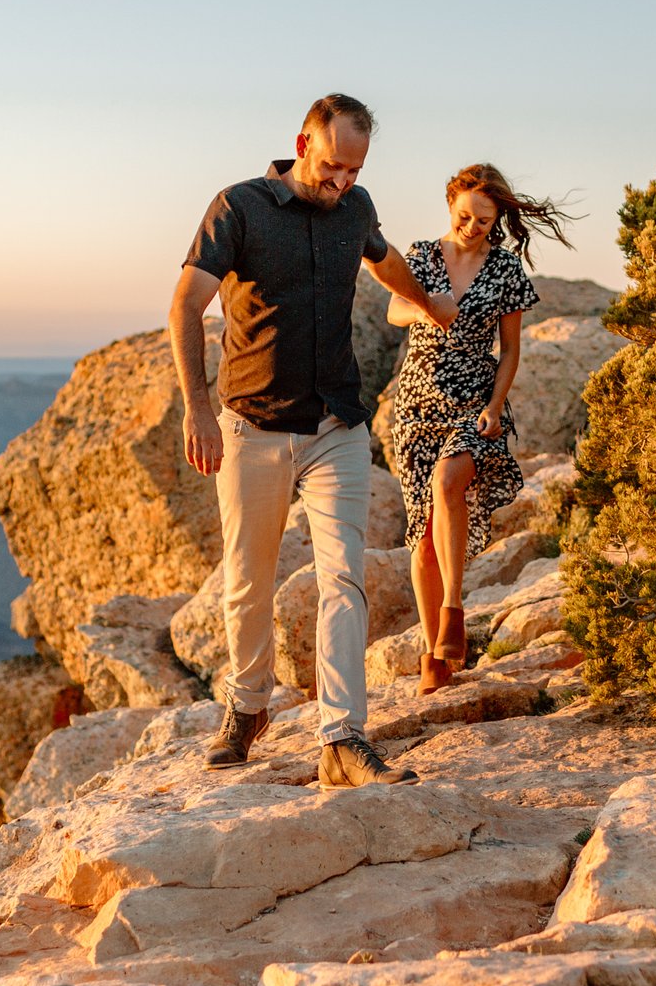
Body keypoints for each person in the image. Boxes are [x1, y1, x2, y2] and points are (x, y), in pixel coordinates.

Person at [168, 93, 458, 788]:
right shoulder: (238, 207)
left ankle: (342, 737)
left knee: (344, 580)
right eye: (332, 167)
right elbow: (185, 304)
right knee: (247, 582)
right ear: (303, 143)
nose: (342, 184)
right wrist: (197, 409)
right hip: (252, 425)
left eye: (354, 171)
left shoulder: (354, 210)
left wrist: (426, 301)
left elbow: (383, 261)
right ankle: (246, 707)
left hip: (337, 426)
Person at [385, 164, 576, 692]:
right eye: (465, 215)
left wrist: (496, 404)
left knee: (450, 482)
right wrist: (428, 307)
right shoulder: (422, 255)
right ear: (451, 205)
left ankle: (453, 609)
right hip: (417, 402)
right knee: (422, 537)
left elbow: (511, 349)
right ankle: (435, 658)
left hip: (475, 398)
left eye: (484, 220)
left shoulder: (507, 270)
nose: (472, 226)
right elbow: (394, 311)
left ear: (498, 219)